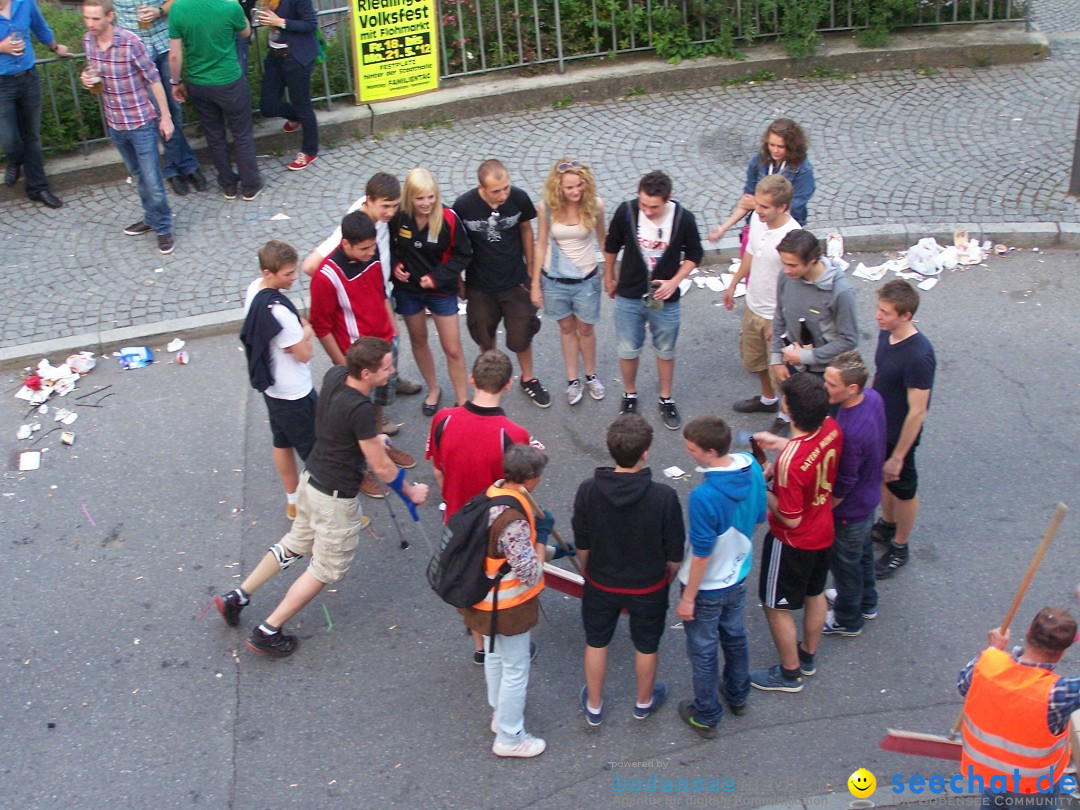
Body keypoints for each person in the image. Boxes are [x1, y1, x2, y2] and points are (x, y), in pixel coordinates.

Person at [213, 337, 429, 658]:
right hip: (334, 500)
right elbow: (382, 468)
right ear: (366, 373)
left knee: (295, 543)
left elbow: (344, 428)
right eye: (386, 367)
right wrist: (410, 491)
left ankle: (238, 597)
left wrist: (371, 437)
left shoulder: (336, 376)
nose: (392, 371)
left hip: (311, 481)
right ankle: (268, 630)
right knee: (327, 569)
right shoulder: (361, 410)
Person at [572, 413, 684, 727]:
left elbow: (582, 541)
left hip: (600, 581)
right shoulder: (663, 497)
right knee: (647, 644)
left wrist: (588, 569)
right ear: (645, 452)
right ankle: (643, 702)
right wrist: (667, 577)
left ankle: (594, 705)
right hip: (648, 586)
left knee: (596, 640)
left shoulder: (588, 490)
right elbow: (675, 552)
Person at [426, 349, 531, 663]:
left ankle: (480, 646)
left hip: (458, 520)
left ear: (471, 379)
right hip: (494, 528)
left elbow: (437, 469)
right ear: (509, 384)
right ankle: (499, 642)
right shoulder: (514, 434)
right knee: (497, 583)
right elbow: (518, 489)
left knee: (466, 579)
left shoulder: (443, 419)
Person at [308, 210, 415, 498]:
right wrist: (342, 364)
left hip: (382, 343)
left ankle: (380, 444)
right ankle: (363, 470)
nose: (371, 252)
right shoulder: (326, 277)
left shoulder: (373, 250)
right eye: (364, 248)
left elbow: (381, 291)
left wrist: (393, 328)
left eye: (372, 246)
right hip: (357, 358)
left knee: (376, 403)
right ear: (345, 244)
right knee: (357, 414)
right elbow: (321, 326)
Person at [676, 415, 766, 738]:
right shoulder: (751, 466)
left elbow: (702, 552)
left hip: (708, 586)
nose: (689, 453)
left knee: (703, 648)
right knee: (734, 634)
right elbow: (759, 516)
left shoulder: (704, 497)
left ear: (711, 452)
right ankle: (738, 695)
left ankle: (707, 713)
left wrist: (688, 598)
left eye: (693, 449)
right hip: (738, 574)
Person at [750, 372, 841, 693]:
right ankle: (808, 655)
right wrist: (782, 443)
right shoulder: (830, 427)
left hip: (793, 542)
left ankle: (790, 674)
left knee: (775, 605)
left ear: (790, 410)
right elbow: (810, 450)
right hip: (824, 528)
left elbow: (789, 517)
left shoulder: (790, 462)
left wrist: (762, 486)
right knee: (815, 592)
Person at [300, 171, 423, 405]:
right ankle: (382, 393)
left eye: (394, 206)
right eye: (385, 206)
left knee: (388, 351)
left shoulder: (380, 218)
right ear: (369, 201)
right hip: (363, 316)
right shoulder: (355, 229)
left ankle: (391, 381)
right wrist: (346, 288)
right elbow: (311, 266)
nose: (391, 213)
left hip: (381, 295)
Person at [459, 443, 550, 758]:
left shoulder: (492, 494)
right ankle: (511, 738)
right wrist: (542, 545)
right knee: (516, 667)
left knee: (494, 656)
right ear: (528, 479)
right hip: (506, 608)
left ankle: (500, 714)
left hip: (480, 600)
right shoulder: (513, 520)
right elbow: (529, 573)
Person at [603, 170, 703, 430]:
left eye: (653, 207)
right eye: (643, 204)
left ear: (668, 199)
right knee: (628, 348)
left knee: (665, 349)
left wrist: (675, 281)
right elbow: (611, 246)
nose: (646, 211)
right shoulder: (626, 212)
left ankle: (666, 398)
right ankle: (629, 394)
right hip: (630, 292)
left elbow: (695, 254)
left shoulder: (683, 218)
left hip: (663, 296)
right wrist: (609, 276)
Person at [81, 0, 176, 255]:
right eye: (87, 19)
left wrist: (165, 117)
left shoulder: (130, 42)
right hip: (115, 123)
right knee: (138, 176)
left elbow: (154, 79)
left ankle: (163, 227)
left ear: (110, 17)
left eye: (95, 19)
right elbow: (92, 74)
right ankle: (151, 218)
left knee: (153, 180)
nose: (90, 24)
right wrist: (87, 81)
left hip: (141, 122)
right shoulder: (88, 42)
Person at [958, 608, 1080, 807]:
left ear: (1028, 633)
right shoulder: (1058, 693)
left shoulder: (989, 663)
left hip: (990, 774)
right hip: (1033, 789)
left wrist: (993, 649)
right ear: (1063, 652)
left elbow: (963, 685)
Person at [453, 159, 550, 409]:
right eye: (496, 191)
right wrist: (459, 281)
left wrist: (531, 270)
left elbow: (527, 229)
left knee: (521, 336)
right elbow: (454, 246)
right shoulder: (463, 207)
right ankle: (490, 383)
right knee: (484, 337)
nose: (503, 194)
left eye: (506, 187)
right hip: (480, 286)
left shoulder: (518, 198)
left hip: (515, 282)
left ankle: (528, 378)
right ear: (481, 188)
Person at [240, 240, 316, 522]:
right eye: (287, 274)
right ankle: (322, 513)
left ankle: (293, 501)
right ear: (268, 272)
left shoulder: (254, 289)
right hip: (294, 391)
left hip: (272, 387)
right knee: (316, 453)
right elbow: (304, 355)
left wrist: (295, 338)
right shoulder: (280, 311)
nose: (294, 277)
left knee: (282, 441)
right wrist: (306, 331)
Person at [722, 175, 802, 433]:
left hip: (776, 315)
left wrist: (781, 323)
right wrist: (735, 283)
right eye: (757, 204)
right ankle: (768, 399)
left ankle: (787, 414)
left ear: (782, 207)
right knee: (755, 359)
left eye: (764, 207)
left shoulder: (793, 236)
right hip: (753, 304)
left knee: (780, 369)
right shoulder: (758, 219)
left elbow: (797, 285)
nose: (757, 211)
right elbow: (751, 253)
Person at [392, 167, 472, 413]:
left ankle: (462, 401)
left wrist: (436, 278)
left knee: (453, 348)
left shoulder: (448, 217)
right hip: (408, 290)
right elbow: (391, 247)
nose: (426, 203)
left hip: (441, 291)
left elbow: (464, 254)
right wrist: (395, 266)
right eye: (420, 198)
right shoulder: (399, 216)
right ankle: (433, 389)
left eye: (431, 197)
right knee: (418, 340)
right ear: (409, 198)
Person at [817, 351, 886, 637]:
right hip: (869, 498)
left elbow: (844, 481)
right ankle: (867, 601)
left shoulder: (848, 430)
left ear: (852, 388)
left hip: (850, 511)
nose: (825, 388)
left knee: (845, 566)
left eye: (831, 384)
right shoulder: (873, 399)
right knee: (863, 555)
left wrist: (826, 509)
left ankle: (847, 617)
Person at [870, 279, 935, 579]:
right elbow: (881, 376)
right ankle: (887, 523)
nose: (878, 316)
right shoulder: (888, 334)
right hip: (881, 425)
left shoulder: (919, 355)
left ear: (906, 315)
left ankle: (900, 546)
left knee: (904, 487)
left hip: (900, 435)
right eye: (879, 309)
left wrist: (898, 455)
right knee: (885, 479)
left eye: (885, 312)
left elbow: (917, 411)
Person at [529, 157, 607, 406]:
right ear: (558, 188)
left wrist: (613, 275)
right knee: (566, 329)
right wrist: (534, 284)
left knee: (586, 329)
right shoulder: (546, 208)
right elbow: (540, 244)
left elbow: (604, 241)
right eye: (569, 187)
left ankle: (591, 375)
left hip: (586, 279)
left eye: (578, 186)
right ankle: (572, 380)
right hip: (554, 279)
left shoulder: (595, 206)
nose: (574, 191)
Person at [168, 0, 262, 201]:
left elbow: (175, 55)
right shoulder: (230, 6)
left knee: (214, 135)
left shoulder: (177, 8)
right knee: (242, 134)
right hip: (229, 81)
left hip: (199, 83)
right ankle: (250, 185)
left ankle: (228, 184)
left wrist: (175, 83)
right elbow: (246, 33)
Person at [111, 0, 205, 196]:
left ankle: (180, 165)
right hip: (136, 50)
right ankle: (180, 166)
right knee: (157, 111)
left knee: (173, 107)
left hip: (163, 43)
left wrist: (159, 11)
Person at [769, 229, 858, 435]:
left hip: (824, 375)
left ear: (812, 260)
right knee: (798, 421)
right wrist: (776, 358)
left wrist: (806, 357)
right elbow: (779, 315)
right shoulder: (786, 276)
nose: (786, 270)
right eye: (783, 263)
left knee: (822, 431)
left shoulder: (841, 292)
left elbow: (849, 339)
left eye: (792, 265)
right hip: (793, 363)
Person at [0, 0, 71, 208]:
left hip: (29, 79)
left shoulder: (24, 3)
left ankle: (38, 188)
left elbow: (39, 27)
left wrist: (56, 47)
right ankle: (14, 160)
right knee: (10, 141)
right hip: (2, 85)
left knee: (32, 135)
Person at [709, 118, 815, 246]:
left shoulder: (802, 170)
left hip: (786, 232)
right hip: (759, 224)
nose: (775, 151)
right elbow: (746, 202)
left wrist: (756, 205)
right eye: (772, 145)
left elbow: (792, 208)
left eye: (780, 146)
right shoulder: (758, 162)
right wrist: (723, 228)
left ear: (791, 146)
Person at [255, 0, 318, 171]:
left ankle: (309, 151)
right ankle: (297, 117)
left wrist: (280, 22)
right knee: (267, 106)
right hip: (275, 56)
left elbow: (311, 24)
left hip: (296, 57)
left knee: (302, 104)